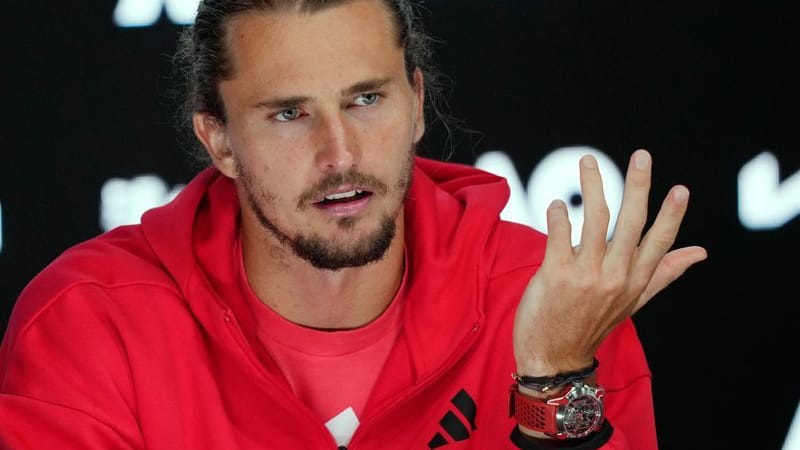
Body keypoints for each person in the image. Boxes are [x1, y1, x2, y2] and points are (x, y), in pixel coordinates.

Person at [0, 0, 707, 448]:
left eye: (366, 99)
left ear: (418, 102)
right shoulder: (87, 323)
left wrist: (551, 382)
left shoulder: (553, 299)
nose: (339, 155)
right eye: (288, 113)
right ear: (218, 141)